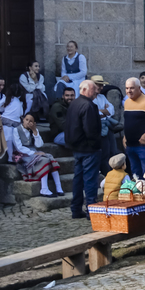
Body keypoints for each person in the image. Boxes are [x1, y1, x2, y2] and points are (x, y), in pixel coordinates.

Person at [65, 80, 102, 219]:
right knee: (90, 180)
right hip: (88, 149)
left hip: (77, 147)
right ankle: (91, 210)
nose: (96, 92)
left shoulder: (74, 103)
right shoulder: (88, 105)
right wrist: (96, 144)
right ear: (86, 89)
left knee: (78, 180)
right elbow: (91, 130)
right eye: (94, 89)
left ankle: (76, 209)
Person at [11, 113, 64, 197]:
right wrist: (34, 153)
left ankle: (58, 187)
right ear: (23, 120)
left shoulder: (33, 130)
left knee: (50, 156)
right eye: (27, 120)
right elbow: (18, 147)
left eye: (31, 121)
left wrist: (35, 131)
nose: (28, 122)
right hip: (22, 154)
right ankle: (44, 188)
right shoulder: (16, 130)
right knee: (44, 160)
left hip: (34, 152)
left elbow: (39, 145)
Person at [122, 77, 145, 179]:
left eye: (132, 88)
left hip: (143, 147)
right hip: (130, 146)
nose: (129, 91)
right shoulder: (127, 102)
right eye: (127, 88)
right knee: (136, 177)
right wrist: (125, 136)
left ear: (139, 88)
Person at [0, 80, 24, 163]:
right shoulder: (19, 102)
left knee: (8, 139)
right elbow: (21, 113)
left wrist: (3, 110)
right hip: (16, 123)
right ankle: (16, 157)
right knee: (14, 139)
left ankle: (10, 157)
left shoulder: (6, 99)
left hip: (5, 122)